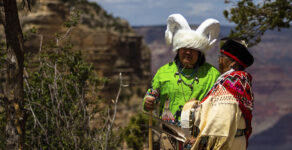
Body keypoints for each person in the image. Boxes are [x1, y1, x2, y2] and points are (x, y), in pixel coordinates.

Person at [143, 13, 221, 149]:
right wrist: (148, 101)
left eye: (193, 49)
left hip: (200, 140)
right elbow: (152, 95)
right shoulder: (164, 72)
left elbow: (218, 108)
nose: (188, 52)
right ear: (178, 49)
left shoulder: (212, 75)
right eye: (184, 48)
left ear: (200, 52)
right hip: (169, 137)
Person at [186, 39, 254, 150]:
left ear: (233, 62)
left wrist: (200, 141)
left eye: (222, 57)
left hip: (227, 144)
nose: (219, 60)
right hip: (235, 142)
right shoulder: (241, 82)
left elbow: (219, 125)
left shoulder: (229, 86)